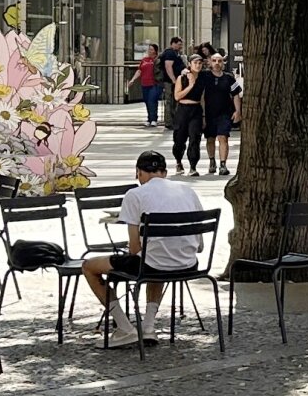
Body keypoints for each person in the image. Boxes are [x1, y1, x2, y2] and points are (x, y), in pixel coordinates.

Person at [78, 150, 206, 343]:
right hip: (189, 265)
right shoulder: (188, 191)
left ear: (138, 172)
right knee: (156, 256)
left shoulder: (135, 194)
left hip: (151, 266)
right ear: (164, 173)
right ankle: (148, 327)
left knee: (89, 266)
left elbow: (134, 249)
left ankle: (125, 327)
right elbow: (200, 246)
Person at [193, 46, 238, 175]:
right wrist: (202, 114)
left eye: (219, 61)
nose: (217, 63)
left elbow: (235, 94)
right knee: (210, 138)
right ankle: (212, 161)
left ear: (223, 63)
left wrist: (237, 111)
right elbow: (195, 79)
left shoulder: (229, 78)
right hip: (208, 113)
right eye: (214, 61)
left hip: (225, 112)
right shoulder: (204, 76)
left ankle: (223, 165)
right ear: (210, 63)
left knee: (223, 137)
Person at [167, 51, 205, 173]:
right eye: (195, 63)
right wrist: (190, 86)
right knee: (179, 138)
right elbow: (177, 96)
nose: (198, 65)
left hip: (196, 109)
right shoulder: (182, 78)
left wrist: (204, 115)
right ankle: (178, 161)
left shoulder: (203, 77)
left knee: (195, 137)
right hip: (183, 109)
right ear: (189, 64)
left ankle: (193, 166)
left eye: (200, 63)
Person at [132, 47, 163, 126]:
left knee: (152, 100)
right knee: (147, 102)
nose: (149, 51)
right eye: (149, 49)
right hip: (144, 83)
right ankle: (149, 118)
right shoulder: (144, 60)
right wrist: (133, 79)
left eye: (151, 49)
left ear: (155, 51)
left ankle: (153, 119)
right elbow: (139, 70)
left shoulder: (157, 60)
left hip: (154, 83)